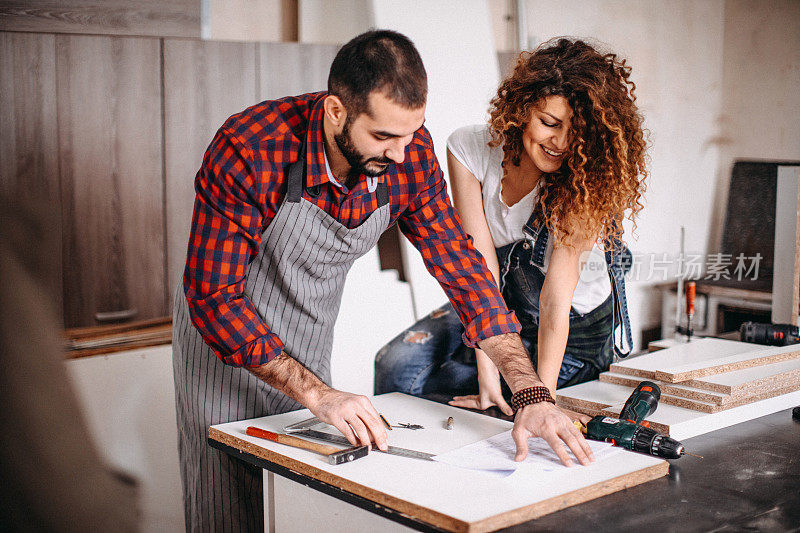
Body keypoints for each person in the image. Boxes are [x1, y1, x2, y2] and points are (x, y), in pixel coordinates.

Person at [173, 30, 593, 532]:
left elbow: (466, 275)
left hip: (308, 337)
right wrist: (321, 394)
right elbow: (213, 298)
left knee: (294, 497)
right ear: (335, 112)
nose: (400, 153)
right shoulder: (252, 147)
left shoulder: (409, 157)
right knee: (229, 501)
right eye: (383, 137)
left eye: (411, 133)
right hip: (223, 345)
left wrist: (531, 394)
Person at [375, 38, 647, 417]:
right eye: (549, 123)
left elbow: (555, 302)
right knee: (396, 366)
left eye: (576, 131)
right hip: (506, 308)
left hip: (571, 332)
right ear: (522, 108)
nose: (561, 143)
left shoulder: (585, 182)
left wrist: (541, 399)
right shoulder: (470, 149)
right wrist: (488, 376)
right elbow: (480, 268)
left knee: (459, 391)